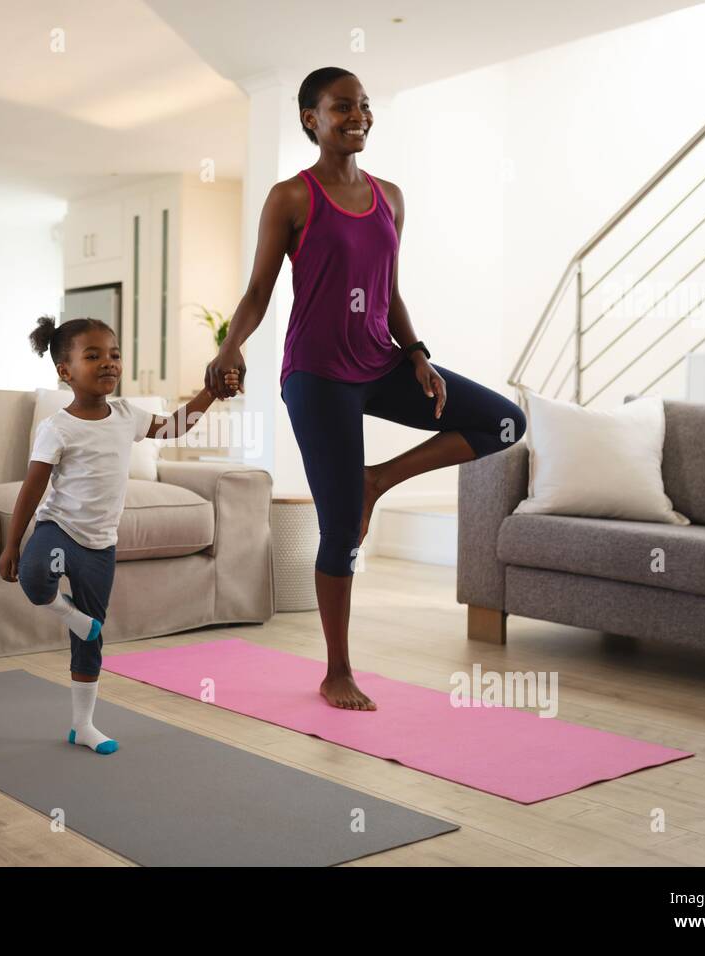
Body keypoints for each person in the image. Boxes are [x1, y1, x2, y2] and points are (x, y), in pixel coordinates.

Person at [203, 67, 527, 712]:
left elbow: (390, 291)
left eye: (365, 106)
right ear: (311, 120)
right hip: (318, 376)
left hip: (382, 362)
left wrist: (417, 355)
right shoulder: (291, 197)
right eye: (342, 107)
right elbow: (260, 289)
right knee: (340, 530)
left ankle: (378, 480)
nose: (358, 115)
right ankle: (337, 670)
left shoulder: (391, 198)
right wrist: (231, 344)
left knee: (506, 422)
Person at [0, 315, 240, 753]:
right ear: (65, 372)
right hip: (60, 529)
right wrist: (13, 543)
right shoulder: (57, 428)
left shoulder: (127, 415)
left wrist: (211, 393)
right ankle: (71, 615)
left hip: (100, 543)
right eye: (93, 356)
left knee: (91, 638)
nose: (108, 363)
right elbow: (32, 488)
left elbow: (175, 426)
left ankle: (83, 726)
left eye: (114, 354)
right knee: (36, 579)